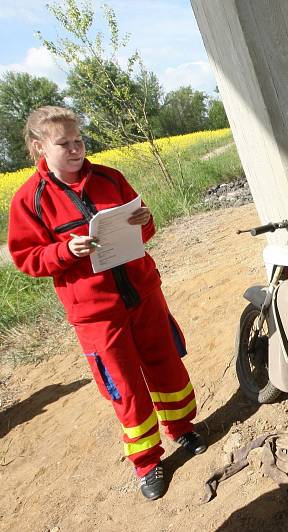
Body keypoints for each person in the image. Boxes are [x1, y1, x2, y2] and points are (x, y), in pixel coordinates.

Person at [7, 106, 206, 501]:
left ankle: (182, 428)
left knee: (166, 361)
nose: (76, 148)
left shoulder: (110, 178)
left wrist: (145, 220)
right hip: (96, 315)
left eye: (79, 139)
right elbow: (27, 259)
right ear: (38, 147)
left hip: (144, 294)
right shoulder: (30, 200)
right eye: (64, 143)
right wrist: (66, 251)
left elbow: (144, 226)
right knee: (126, 387)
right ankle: (147, 462)